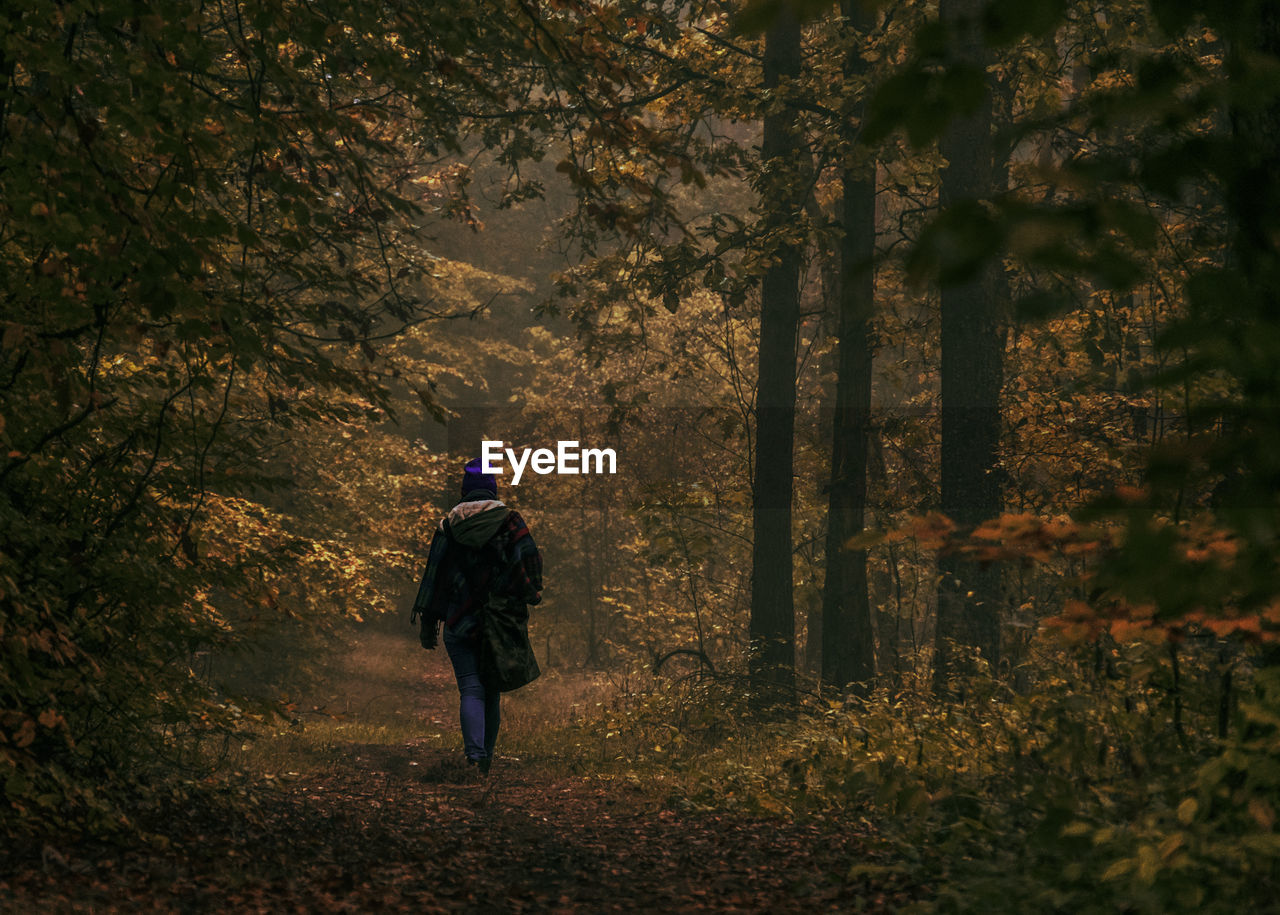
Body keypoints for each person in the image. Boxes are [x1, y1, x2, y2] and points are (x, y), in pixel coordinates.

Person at [411, 458, 543, 774]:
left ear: (464, 490)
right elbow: (529, 562)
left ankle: (474, 756)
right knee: (491, 690)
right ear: (492, 488)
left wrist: (429, 623)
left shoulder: (447, 525)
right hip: (498, 622)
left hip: (459, 620)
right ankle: (484, 762)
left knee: (471, 687)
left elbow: (434, 576)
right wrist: (528, 594)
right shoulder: (511, 521)